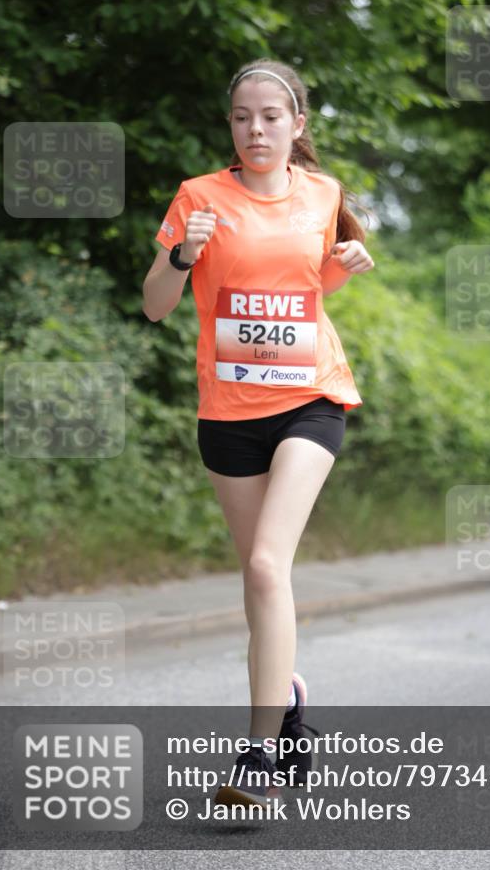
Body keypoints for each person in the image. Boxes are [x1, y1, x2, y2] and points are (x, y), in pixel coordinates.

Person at [142, 57, 375, 810]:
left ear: (297, 124)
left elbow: (312, 286)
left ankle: (258, 755)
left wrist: (349, 261)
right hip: (227, 413)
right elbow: (154, 305)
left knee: (270, 566)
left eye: (271, 116)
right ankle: (289, 695)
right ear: (230, 125)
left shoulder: (323, 194)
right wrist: (182, 254)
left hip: (310, 397)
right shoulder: (198, 198)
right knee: (257, 580)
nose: (256, 130)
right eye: (242, 117)